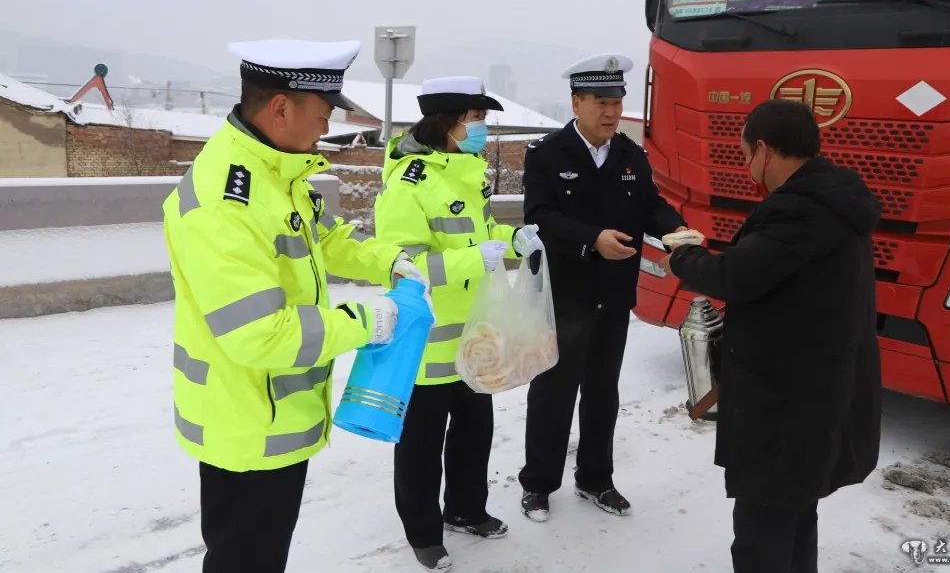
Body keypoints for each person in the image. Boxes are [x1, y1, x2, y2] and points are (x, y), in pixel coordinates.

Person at [162, 38, 426, 573]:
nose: (326, 129)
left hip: (274, 416)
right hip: (246, 422)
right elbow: (261, 333)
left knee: (261, 556)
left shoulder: (277, 174)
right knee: (245, 560)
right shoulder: (225, 200)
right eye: (323, 114)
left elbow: (327, 240)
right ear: (281, 108)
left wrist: (389, 261)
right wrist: (366, 321)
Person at [666, 99, 883, 573]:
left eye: (746, 155)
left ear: (764, 149)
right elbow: (769, 270)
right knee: (798, 515)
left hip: (786, 404)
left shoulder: (800, 212)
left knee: (762, 532)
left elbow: (738, 277)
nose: (748, 167)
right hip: (816, 392)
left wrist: (683, 258)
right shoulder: (835, 200)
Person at [374, 75, 545, 572]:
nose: (482, 130)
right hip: (427, 341)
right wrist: (477, 258)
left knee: (475, 434)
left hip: (473, 334)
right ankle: (423, 533)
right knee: (421, 446)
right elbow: (402, 264)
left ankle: (467, 510)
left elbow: (479, 230)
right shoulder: (409, 182)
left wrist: (512, 239)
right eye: (476, 120)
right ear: (448, 123)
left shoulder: (466, 171)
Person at [518, 53, 687, 522]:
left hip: (613, 295)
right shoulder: (547, 154)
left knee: (602, 391)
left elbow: (651, 205)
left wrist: (675, 230)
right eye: (600, 101)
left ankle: (596, 479)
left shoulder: (631, 155)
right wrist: (592, 240)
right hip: (566, 295)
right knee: (553, 391)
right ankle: (538, 484)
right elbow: (540, 219)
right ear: (576, 103)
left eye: (616, 101)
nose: (611, 111)